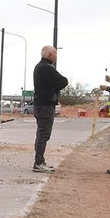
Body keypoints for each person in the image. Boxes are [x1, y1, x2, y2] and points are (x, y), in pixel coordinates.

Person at [32, 45, 68, 173]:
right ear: (50, 55)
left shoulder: (40, 66)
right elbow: (63, 81)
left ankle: (39, 161)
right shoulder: (46, 68)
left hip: (40, 105)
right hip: (45, 106)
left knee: (41, 134)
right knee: (43, 134)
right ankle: (38, 162)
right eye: (55, 54)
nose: (56, 56)